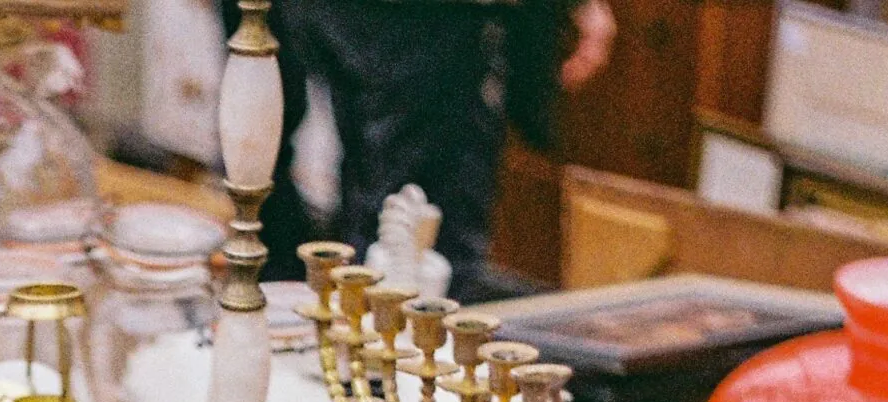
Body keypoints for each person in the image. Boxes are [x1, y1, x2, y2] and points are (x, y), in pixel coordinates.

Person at [225, 0, 616, 301]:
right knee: (419, 244)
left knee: (377, 218)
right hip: (431, 16)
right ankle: (380, 391)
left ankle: (345, 381)